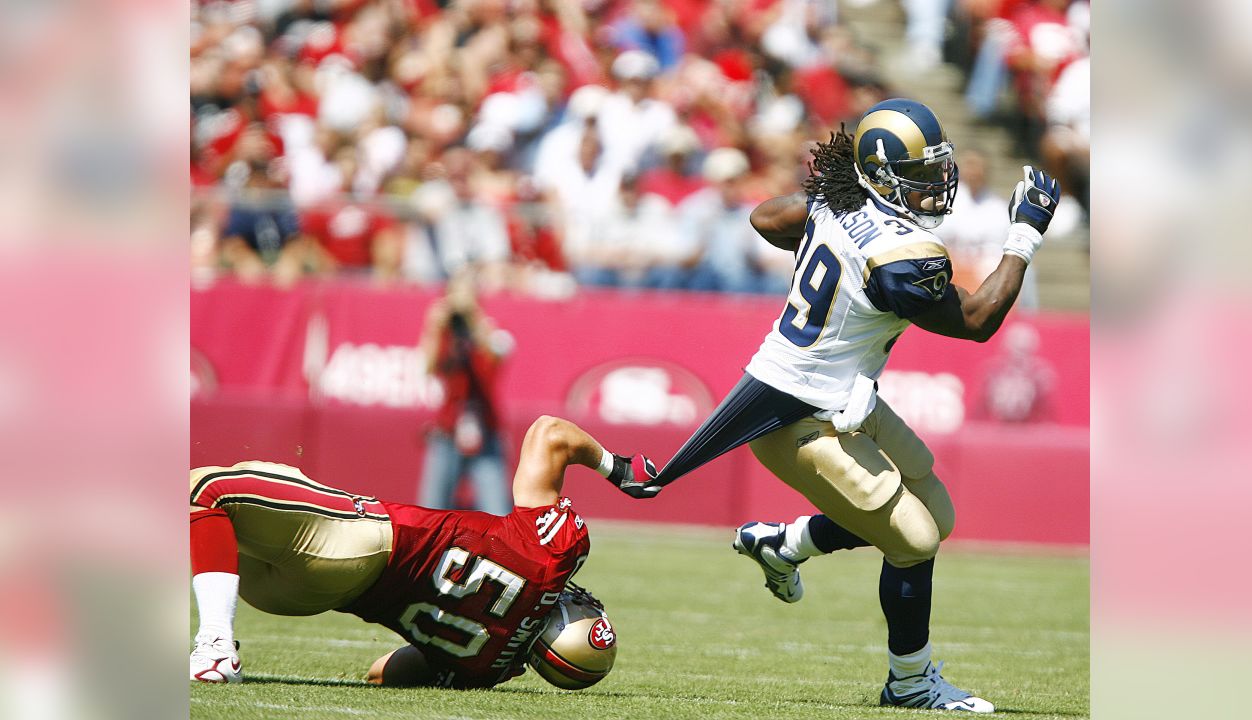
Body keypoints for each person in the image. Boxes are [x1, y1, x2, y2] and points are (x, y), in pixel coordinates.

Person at [603, 98, 1061, 713]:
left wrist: (829, 213)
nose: (934, 188)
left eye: (934, 172)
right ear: (878, 176)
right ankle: (910, 683)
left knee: (938, 513)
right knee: (916, 541)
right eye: (918, 177)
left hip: (843, 400)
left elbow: (766, 218)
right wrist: (1024, 235)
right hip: (795, 414)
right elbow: (978, 320)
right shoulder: (899, 256)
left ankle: (787, 543)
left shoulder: (838, 205)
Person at [189, 415, 629, 688]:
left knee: (205, 491)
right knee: (213, 517)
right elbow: (383, 671)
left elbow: (549, 432)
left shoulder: (553, 555)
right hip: (297, 599)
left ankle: (215, 647)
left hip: (360, 542)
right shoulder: (484, 671)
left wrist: (620, 469)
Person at [417, 274, 513, 515]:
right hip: (448, 430)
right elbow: (426, 367)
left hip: (485, 431)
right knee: (432, 511)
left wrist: (474, 318)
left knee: (497, 511)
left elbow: (497, 355)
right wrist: (433, 326)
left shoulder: (488, 329)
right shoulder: (444, 333)